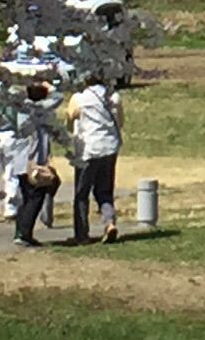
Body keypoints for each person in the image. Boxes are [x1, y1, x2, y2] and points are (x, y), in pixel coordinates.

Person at [67, 73, 123, 245]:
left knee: (81, 193)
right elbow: (120, 122)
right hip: (109, 147)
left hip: (88, 149)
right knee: (105, 190)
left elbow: (69, 124)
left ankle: (82, 234)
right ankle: (109, 222)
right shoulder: (113, 97)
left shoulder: (78, 98)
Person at [8, 79, 59, 247]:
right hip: (34, 160)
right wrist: (50, 86)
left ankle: (20, 232)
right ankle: (24, 234)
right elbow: (58, 97)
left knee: (26, 197)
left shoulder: (22, 108)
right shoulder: (38, 109)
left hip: (20, 159)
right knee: (36, 197)